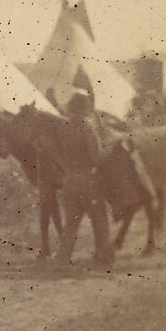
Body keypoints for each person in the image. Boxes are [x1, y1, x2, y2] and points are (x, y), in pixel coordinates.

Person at [56, 90, 114, 267]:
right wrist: (111, 148)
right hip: (88, 180)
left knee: (71, 224)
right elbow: (97, 157)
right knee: (100, 220)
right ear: (85, 108)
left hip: (69, 179)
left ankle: (62, 260)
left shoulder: (63, 127)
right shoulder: (88, 128)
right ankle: (104, 258)